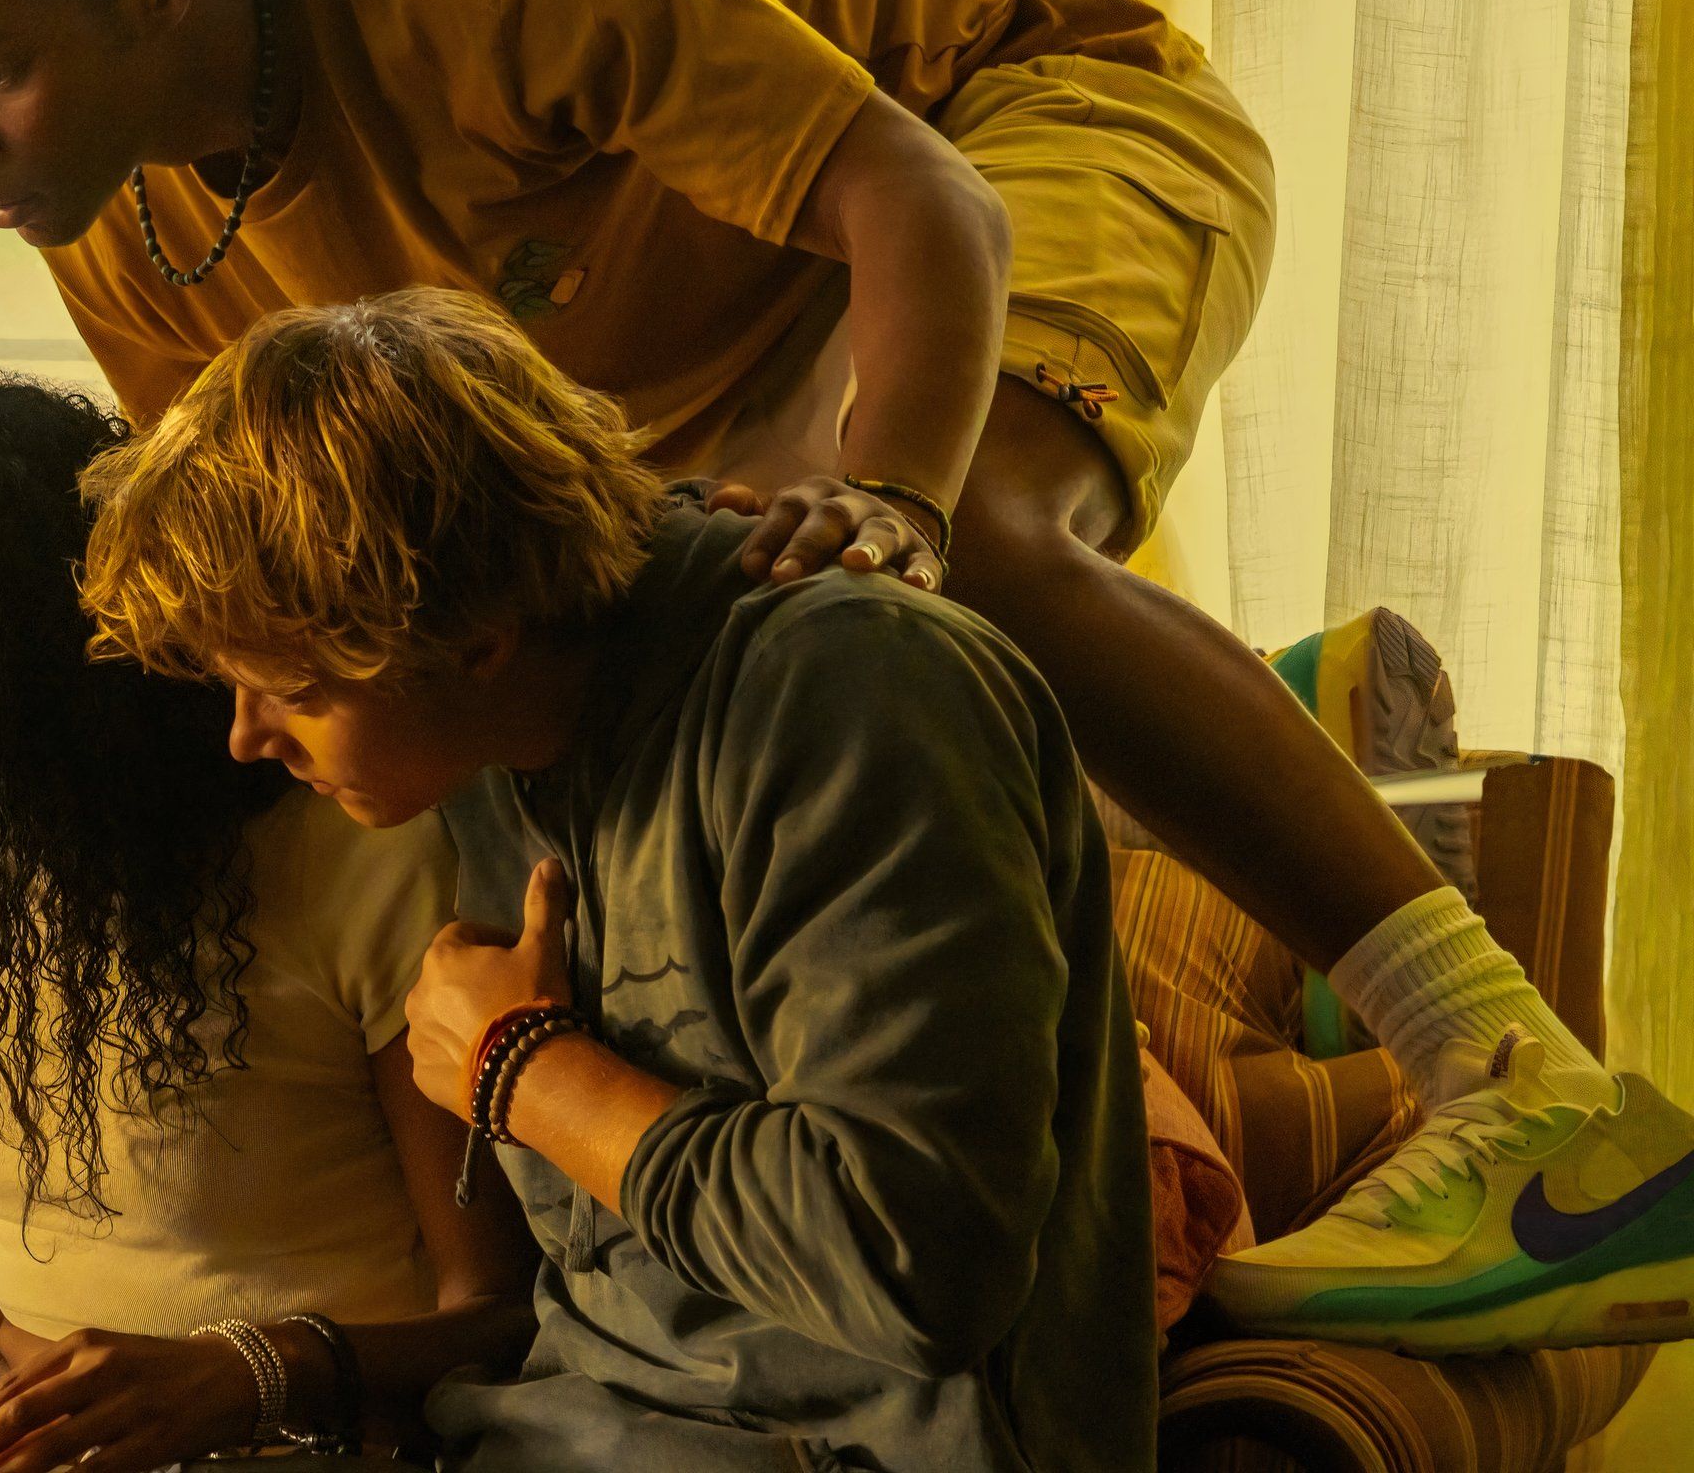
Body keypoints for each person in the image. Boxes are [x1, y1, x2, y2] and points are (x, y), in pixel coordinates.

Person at [0, 0, 1689, 1326]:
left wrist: (905, 520)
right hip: (708, 355)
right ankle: (1284, 722)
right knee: (619, 684)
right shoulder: (120, 214)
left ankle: (1522, 1082)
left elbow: (917, 198)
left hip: (1016, 135)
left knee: (951, 582)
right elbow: (299, 596)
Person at [78, 291, 1152, 1469]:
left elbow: (916, 1268)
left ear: (475, 637)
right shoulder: (491, 734)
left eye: (294, 690)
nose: (246, 738)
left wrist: (525, 1074)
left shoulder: (853, 694)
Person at [0, 370, 533, 1473]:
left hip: (311, 1446)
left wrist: (244, 1375)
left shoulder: (356, 859)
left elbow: (507, 1318)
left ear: (8, 698)